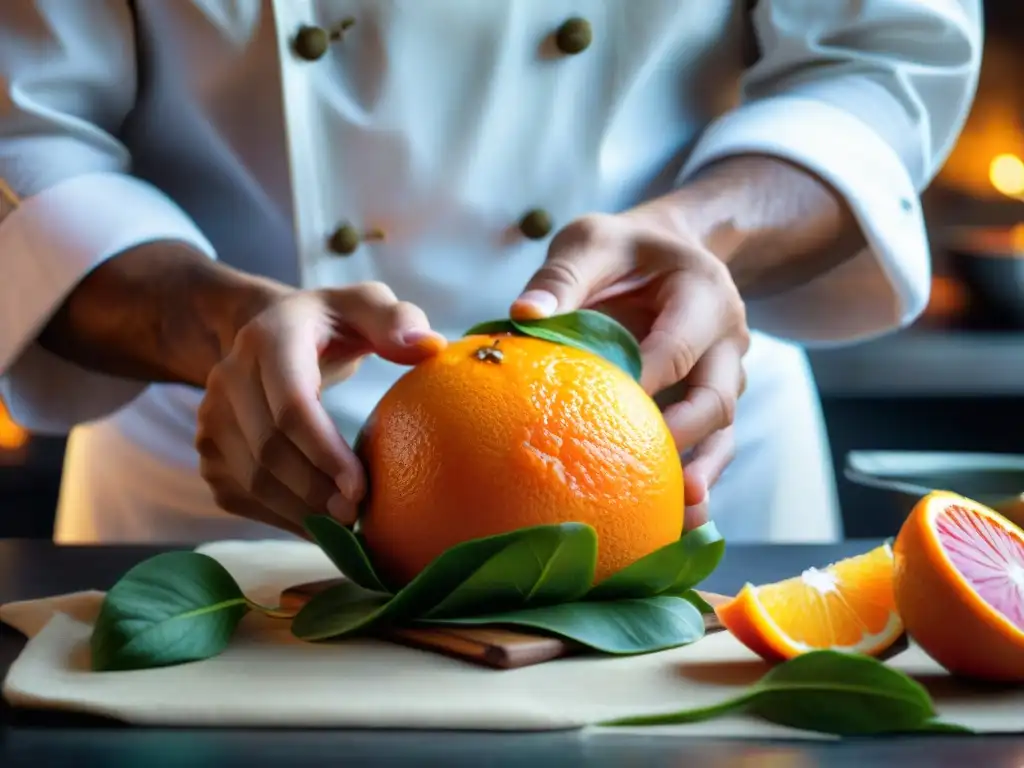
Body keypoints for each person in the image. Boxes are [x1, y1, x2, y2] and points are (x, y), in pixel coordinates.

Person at [0, 1, 981, 546]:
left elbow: (877, 58)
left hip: (668, 440)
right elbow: (25, 137)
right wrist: (217, 329)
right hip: (226, 462)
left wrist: (701, 233)